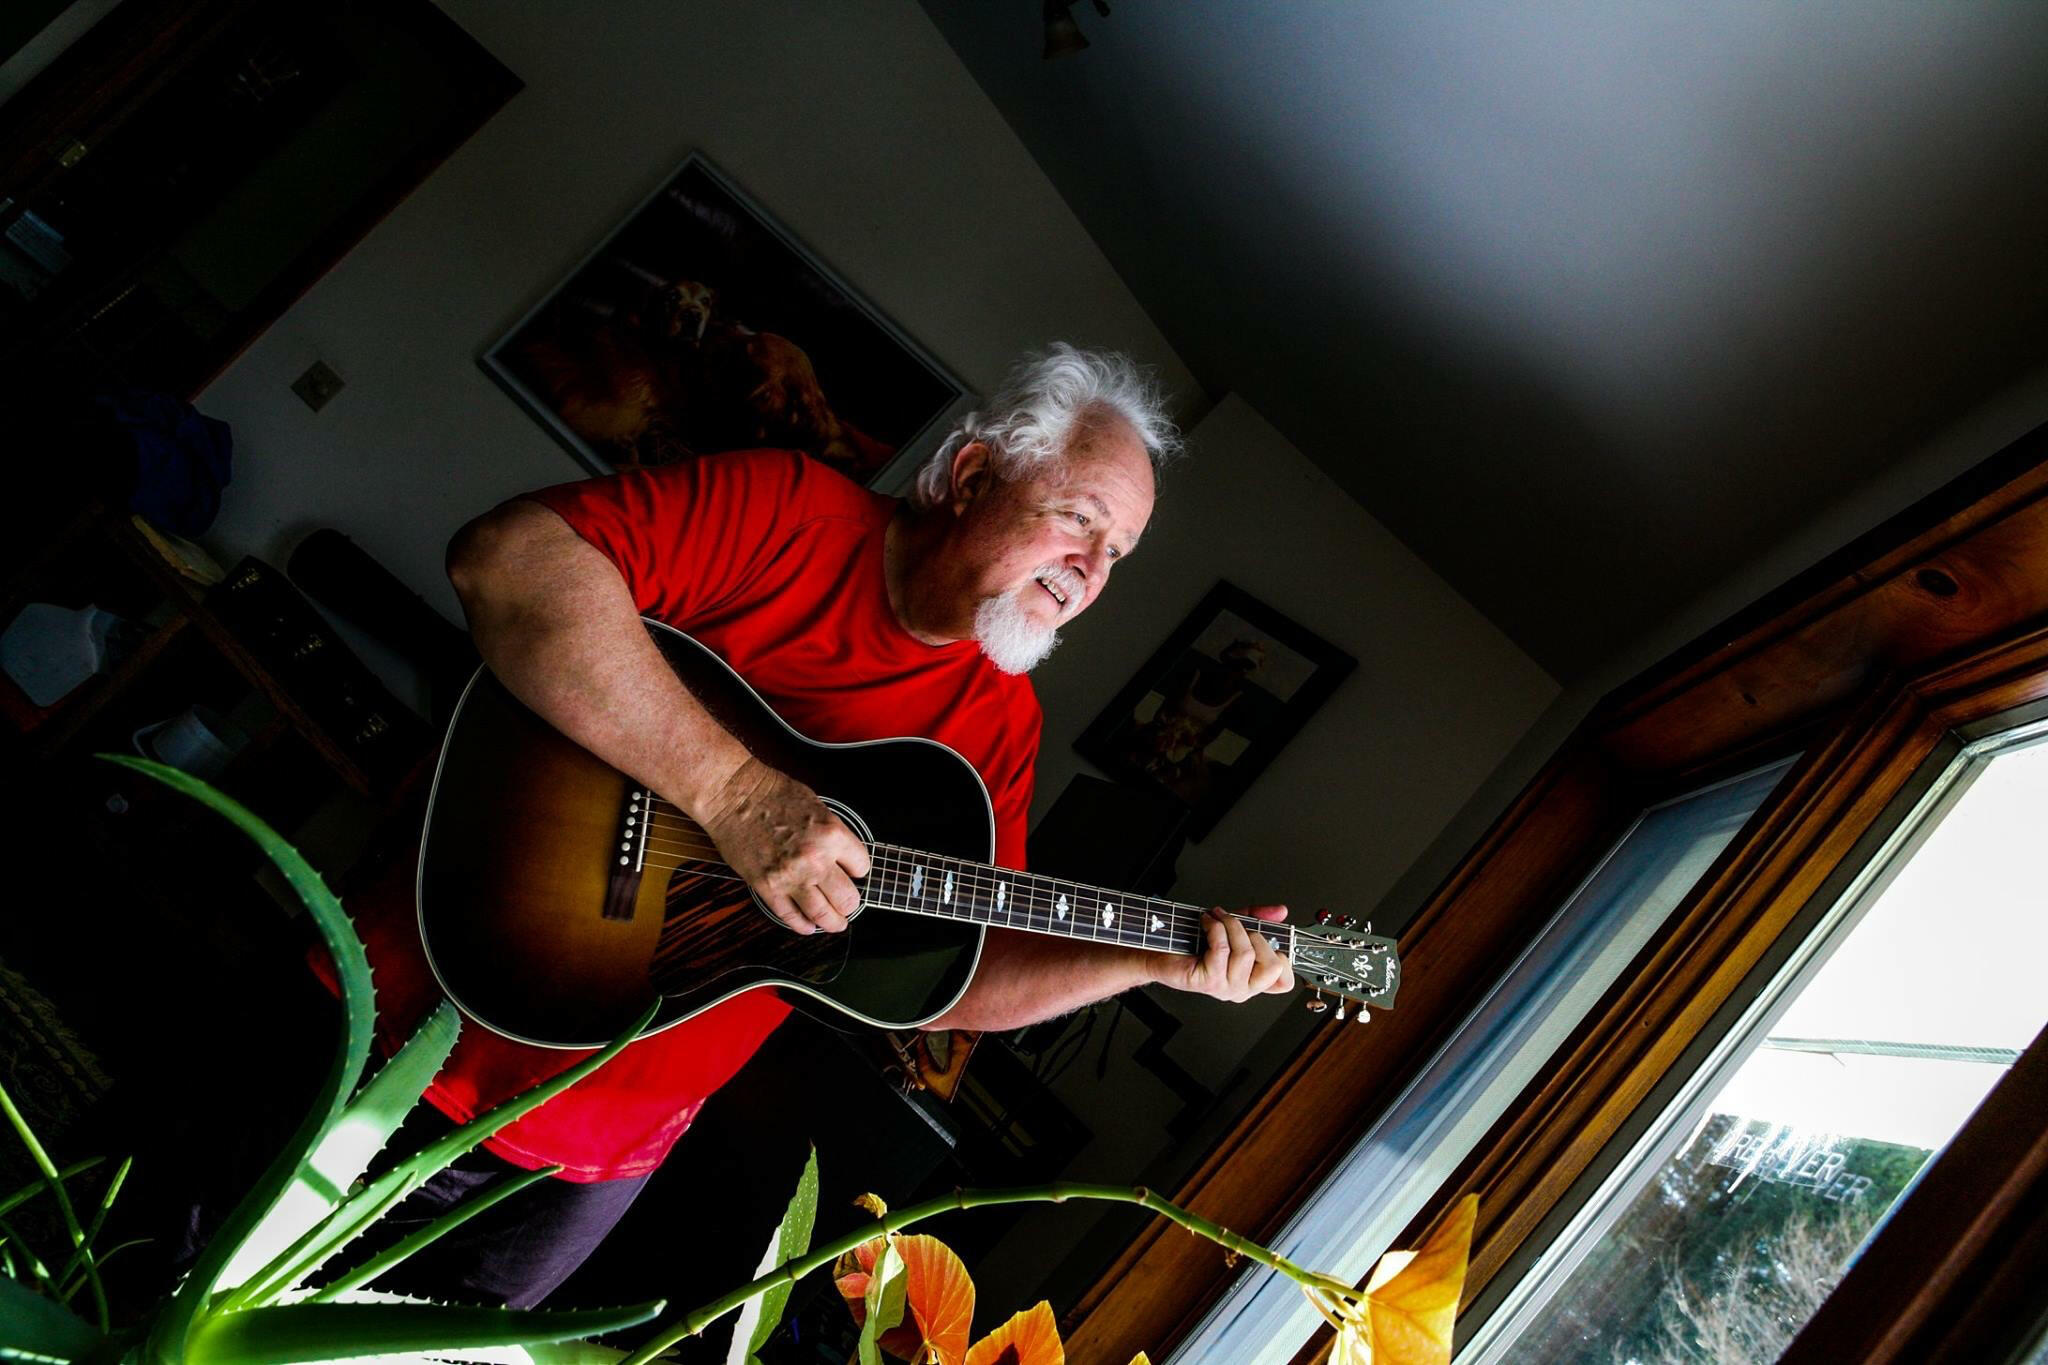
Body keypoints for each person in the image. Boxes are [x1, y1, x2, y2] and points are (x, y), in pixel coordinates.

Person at [305, 344, 1296, 1307]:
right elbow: (505, 563)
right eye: (1078, 520)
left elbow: (950, 978)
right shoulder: (787, 511)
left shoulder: (1001, 718)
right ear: (970, 473)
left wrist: (1155, 960)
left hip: (599, 1150)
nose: (1089, 569)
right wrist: (734, 794)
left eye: (1114, 552)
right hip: (399, 1024)